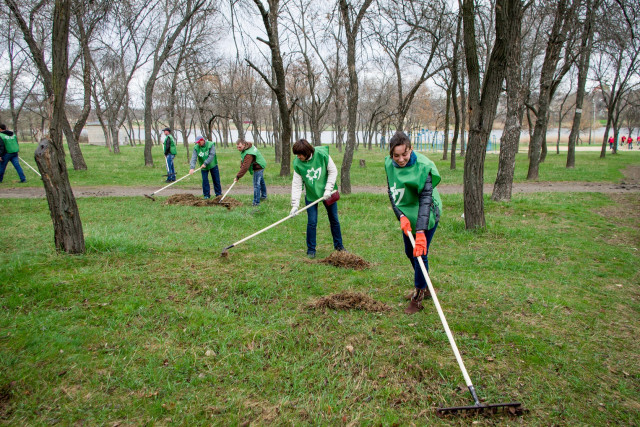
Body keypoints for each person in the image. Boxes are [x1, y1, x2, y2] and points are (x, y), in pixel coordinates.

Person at [385, 131, 442, 315]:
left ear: (411, 149)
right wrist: (400, 215)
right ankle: (424, 284)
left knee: (419, 253)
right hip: (408, 213)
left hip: (427, 213)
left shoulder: (424, 166)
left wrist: (421, 232)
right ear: (391, 154)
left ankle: (418, 295)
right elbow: (392, 192)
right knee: (409, 251)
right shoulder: (389, 165)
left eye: (404, 154)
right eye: (396, 155)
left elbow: (426, 200)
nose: (400, 159)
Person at [290, 139, 345, 259]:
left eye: (300, 154)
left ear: (307, 152)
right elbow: (297, 184)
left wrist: (328, 190)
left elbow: (333, 171)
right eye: (296, 155)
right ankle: (311, 250)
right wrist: (295, 205)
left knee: (334, 219)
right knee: (312, 222)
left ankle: (339, 246)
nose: (298, 157)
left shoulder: (322, 154)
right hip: (311, 195)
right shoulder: (298, 163)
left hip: (328, 193)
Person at [234, 139, 267, 207]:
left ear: (244, 144)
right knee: (261, 181)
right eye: (237, 147)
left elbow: (246, 167)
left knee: (256, 185)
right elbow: (243, 160)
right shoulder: (247, 147)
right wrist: (241, 166)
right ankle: (264, 196)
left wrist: (238, 176)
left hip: (258, 166)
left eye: (239, 147)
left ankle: (256, 203)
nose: (238, 149)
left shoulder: (249, 154)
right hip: (261, 163)